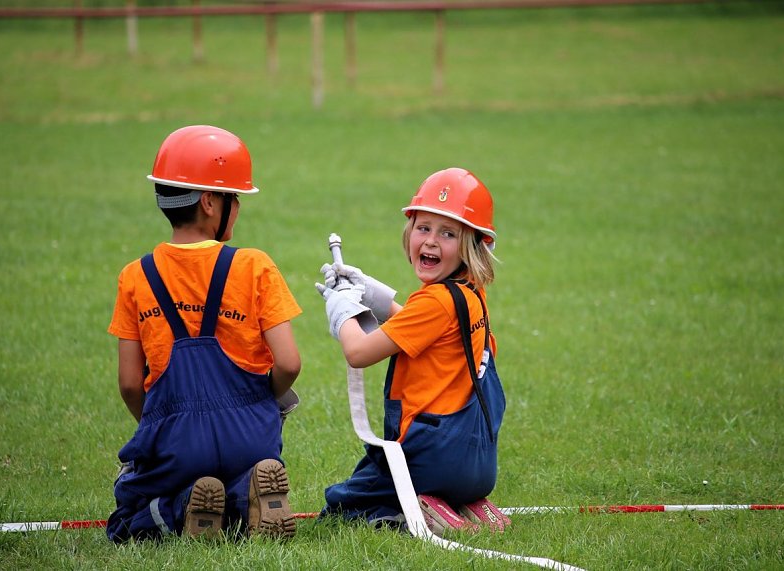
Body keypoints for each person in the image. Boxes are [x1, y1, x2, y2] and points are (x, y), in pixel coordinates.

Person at [105, 125, 302, 542]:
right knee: (240, 473)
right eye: (235, 197)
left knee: (130, 510)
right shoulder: (254, 266)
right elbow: (289, 363)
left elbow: (129, 383)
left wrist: (161, 424)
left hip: (175, 437)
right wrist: (260, 403)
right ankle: (246, 493)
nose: (238, 207)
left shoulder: (135, 276)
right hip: (251, 435)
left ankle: (181, 508)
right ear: (210, 202)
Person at [315, 167, 509, 534]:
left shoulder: (434, 301)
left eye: (448, 233)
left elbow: (358, 352)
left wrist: (342, 308)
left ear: (472, 245)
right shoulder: (470, 294)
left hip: (428, 460)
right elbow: (424, 331)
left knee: (343, 507)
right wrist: (372, 294)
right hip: (476, 461)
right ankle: (464, 503)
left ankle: (425, 510)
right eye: (424, 228)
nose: (431, 242)